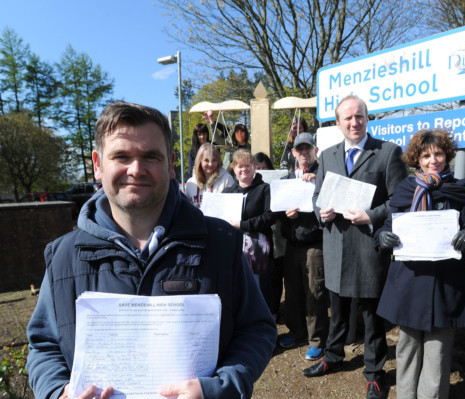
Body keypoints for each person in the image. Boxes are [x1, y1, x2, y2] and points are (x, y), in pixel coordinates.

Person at [26, 101, 277, 399]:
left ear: (171, 164)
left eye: (150, 156)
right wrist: (57, 392)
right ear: (97, 163)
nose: (136, 169)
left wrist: (219, 388)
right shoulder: (64, 257)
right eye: (121, 156)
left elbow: (257, 329)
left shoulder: (222, 242)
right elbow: (44, 346)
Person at [304, 95, 407, 399]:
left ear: (367, 118)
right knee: (337, 311)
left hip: (368, 248)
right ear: (338, 123)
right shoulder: (330, 156)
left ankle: (374, 374)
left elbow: (399, 200)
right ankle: (333, 357)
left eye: (359, 116)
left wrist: (371, 215)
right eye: (347, 118)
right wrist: (320, 211)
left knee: (371, 317)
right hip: (336, 247)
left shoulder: (387, 153)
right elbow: (318, 195)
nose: (354, 122)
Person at [375, 129, 465, 398]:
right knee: (407, 349)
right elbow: (387, 227)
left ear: (447, 155)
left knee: (437, 353)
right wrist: (383, 237)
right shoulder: (404, 190)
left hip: (446, 284)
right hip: (410, 283)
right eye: (426, 155)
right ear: (416, 159)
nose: (433, 160)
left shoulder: (462, 190)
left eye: (438, 153)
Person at [278, 133, 329, 361]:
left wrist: (318, 182)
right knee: (293, 290)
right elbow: (277, 214)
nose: (303, 152)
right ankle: (296, 331)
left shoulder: (323, 175)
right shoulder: (288, 179)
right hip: (292, 243)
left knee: (314, 292)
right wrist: (287, 217)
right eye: (299, 149)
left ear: (315, 151)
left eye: (308, 148)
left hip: (314, 244)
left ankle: (316, 339)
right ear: (293, 153)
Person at [223, 149, 275, 308]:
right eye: (240, 166)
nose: (244, 169)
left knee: (256, 293)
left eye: (248, 165)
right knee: (235, 293)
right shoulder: (227, 193)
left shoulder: (265, 189)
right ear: (234, 168)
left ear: (253, 167)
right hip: (233, 251)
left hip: (257, 253)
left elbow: (269, 217)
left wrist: (242, 224)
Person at [253, 152, 285, 321]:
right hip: (260, 240)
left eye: (264, 168)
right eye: (257, 168)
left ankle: (275, 308)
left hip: (277, 235)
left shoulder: (278, 181)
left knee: (276, 275)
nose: (261, 171)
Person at [184, 143, 234, 208]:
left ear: (218, 161)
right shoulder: (191, 183)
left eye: (214, 160)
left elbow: (232, 207)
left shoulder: (227, 179)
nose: (210, 164)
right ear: (200, 161)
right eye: (206, 160)